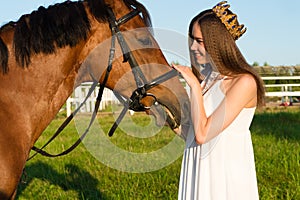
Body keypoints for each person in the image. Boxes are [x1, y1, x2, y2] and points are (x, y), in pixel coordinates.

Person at [172, 1, 265, 199]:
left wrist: (194, 86)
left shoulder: (244, 82)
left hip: (225, 170)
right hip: (199, 164)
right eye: (192, 40)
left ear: (217, 42)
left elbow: (203, 134)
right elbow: (193, 133)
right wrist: (167, 119)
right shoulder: (208, 80)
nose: (193, 47)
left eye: (199, 41)